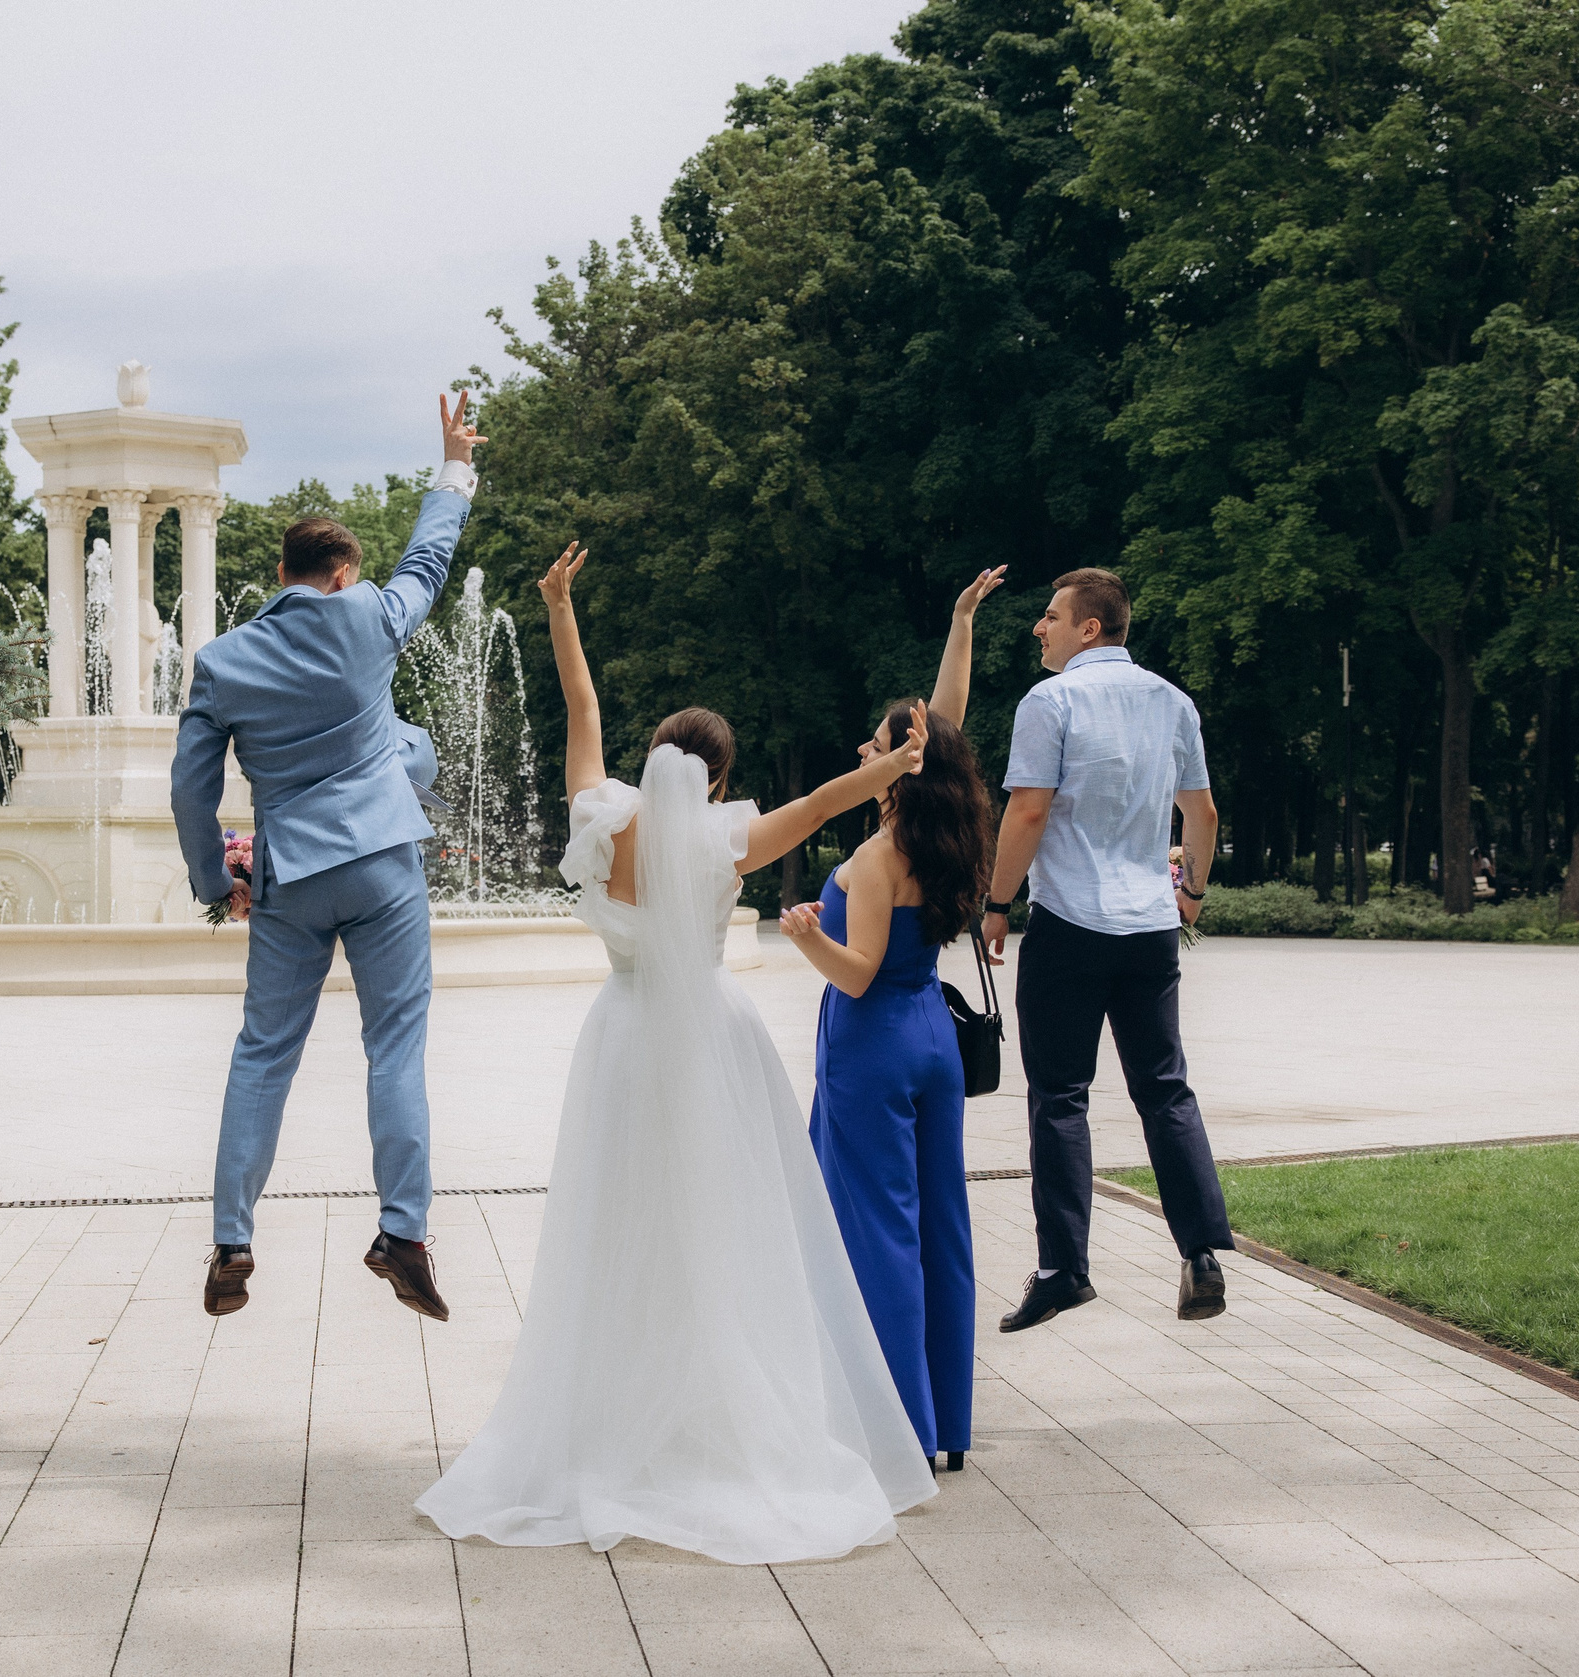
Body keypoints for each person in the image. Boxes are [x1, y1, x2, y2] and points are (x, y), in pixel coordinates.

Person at [416, 542, 937, 1564]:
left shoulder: (602, 819)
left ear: (652, 760)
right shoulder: (724, 839)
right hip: (716, 1038)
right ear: (721, 777)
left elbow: (579, 714)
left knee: (621, 1224)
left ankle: (612, 1418)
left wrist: (560, 610)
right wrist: (889, 768)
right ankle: (725, 1411)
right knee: (730, 1225)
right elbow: (828, 805)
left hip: (622, 1039)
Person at [170, 392, 482, 1322]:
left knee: (262, 1054)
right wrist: (453, 462)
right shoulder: (371, 618)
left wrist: (214, 878)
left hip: (292, 874)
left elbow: (190, 790)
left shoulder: (223, 660)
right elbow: (430, 557)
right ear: (343, 574)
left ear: (283, 573)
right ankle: (404, 1231)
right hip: (385, 859)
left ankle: (232, 1239)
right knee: (395, 1047)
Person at [778, 568, 1004, 1473]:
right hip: (934, 1046)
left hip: (872, 1048)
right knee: (940, 1225)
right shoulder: (955, 837)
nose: (867, 749)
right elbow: (941, 719)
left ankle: (891, 1428)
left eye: (878, 744)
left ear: (899, 761)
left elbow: (859, 973)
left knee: (876, 1229)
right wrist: (958, 622)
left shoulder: (877, 856)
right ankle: (945, 1423)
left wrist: (804, 937)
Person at [982, 566, 1235, 1331]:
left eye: (1050, 615)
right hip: (1151, 927)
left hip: (1070, 922)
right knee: (1165, 1088)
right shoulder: (1173, 701)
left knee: (1060, 1095)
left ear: (1088, 627)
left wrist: (996, 904)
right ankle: (1200, 1253)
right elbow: (1204, 812)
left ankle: (1064, 1267)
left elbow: (1028, 810)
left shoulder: (1050, 701)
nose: (1039, 628)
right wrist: (1188, 892)